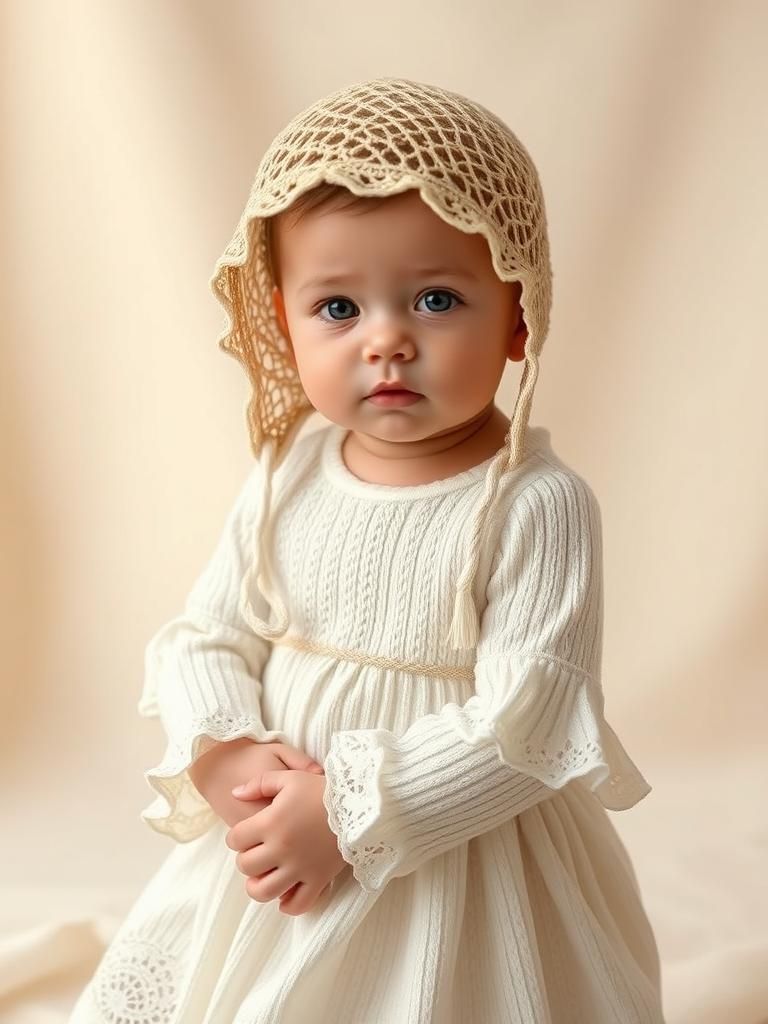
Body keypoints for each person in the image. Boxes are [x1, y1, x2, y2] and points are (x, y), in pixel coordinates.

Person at [69, 77, 666, 1023]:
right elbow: (207, 633)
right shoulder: (288, 473)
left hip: (457, 854)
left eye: (435, 299)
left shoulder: (535, 505)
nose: (386, 341)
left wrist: (348, 814)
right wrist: (230, 757)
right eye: (338, 309)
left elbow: (526, 725)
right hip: (278, 828)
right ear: (283, 317)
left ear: (518, 315)